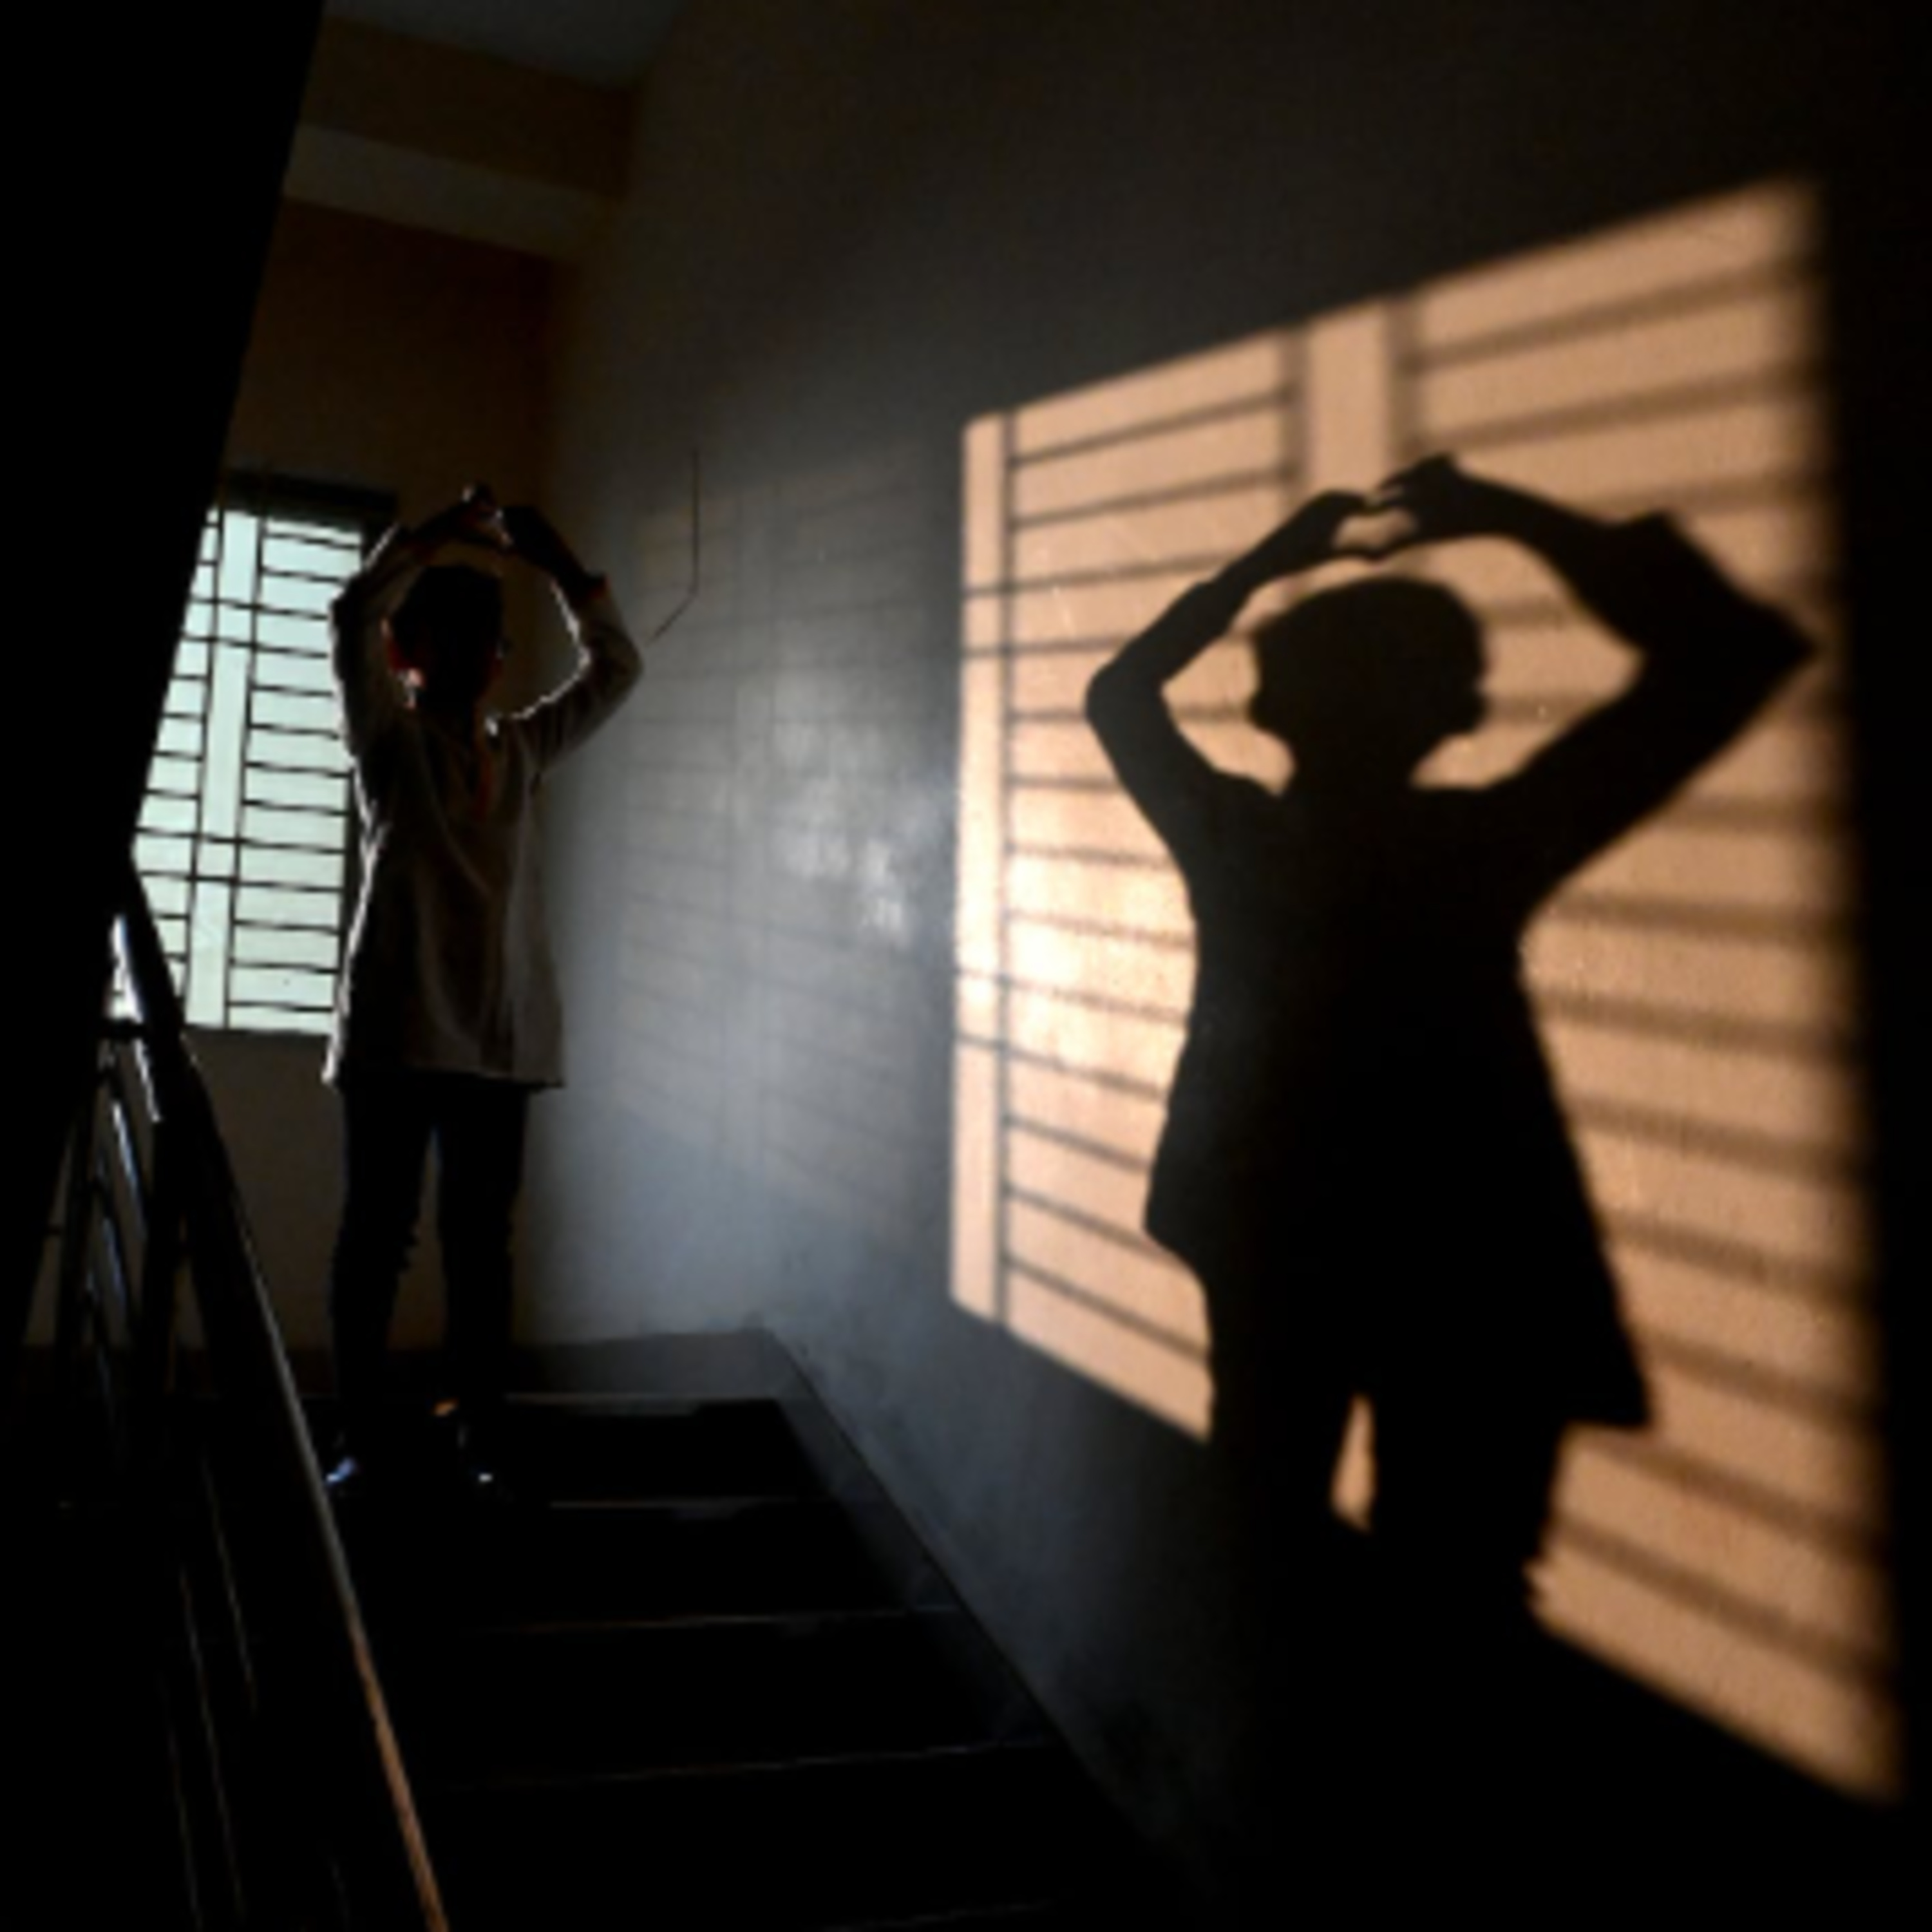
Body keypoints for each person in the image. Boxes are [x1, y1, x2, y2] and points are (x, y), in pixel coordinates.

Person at [1085, 455, 1812, 1610]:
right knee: (1452, 1587)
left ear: (1269, 709)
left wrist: (1273, 560)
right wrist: (1506, 514)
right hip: (1470, 1252)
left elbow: (1119, 695)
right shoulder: (1482, 849)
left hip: (1271, 1224)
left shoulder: (1239, 843)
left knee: (1259, 1548)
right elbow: (1730, 652)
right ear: (1460, 709)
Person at [322, 486, 643, 1495]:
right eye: (451, 635)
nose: (476, 655)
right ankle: (359, 1438)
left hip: (501, 1043)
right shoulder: (389, 742)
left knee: (479, 1249)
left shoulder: (521, 750)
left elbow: (618, 669)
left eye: (489, 641)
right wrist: (432, 538)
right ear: (404, 652)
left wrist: (561, 568)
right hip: (397, 1032)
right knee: (379, 1239)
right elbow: (350, 610)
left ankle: (481, 1437)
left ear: (501, 660)